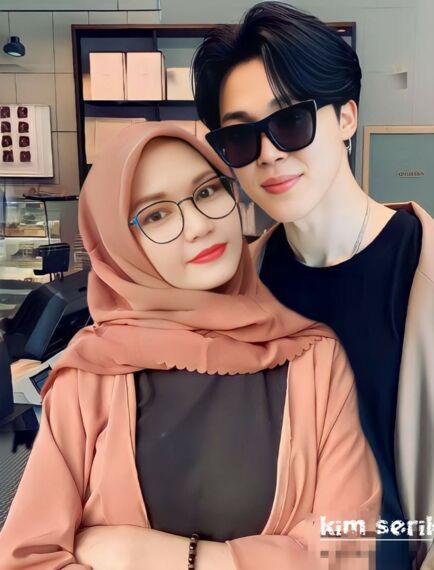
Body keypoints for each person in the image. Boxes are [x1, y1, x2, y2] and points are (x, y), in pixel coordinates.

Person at [192, 2, 434, 569]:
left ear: (346, 118)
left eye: (291, 121)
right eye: (240, 138)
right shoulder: (229, 299)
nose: (269, 153)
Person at [0, 122, 380, 570]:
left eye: (206, 192)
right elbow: (27, 558)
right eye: (155, 215)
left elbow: (347, 547)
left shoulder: (313, 357)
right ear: (120, 244)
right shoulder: (91, 376)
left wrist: (154, 557)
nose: (199, 225)